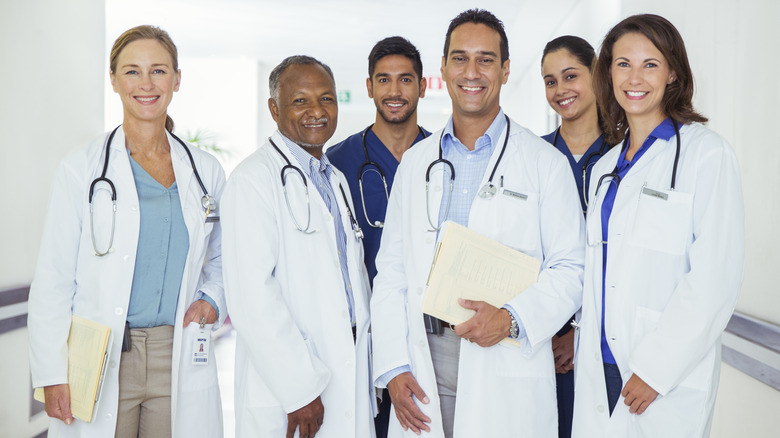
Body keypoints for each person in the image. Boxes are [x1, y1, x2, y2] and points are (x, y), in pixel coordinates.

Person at [371, 9, 585, 438]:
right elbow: (391, 270)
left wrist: (510, 319)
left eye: (486, 59)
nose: (472, 72)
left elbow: (572, 269)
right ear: (443, 71)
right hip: (425, 356)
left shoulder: (545, 164)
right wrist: (394, 365)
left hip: (505, 352)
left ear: (505, 70)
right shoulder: (416, 163)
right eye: (460, 58)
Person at [27, 25, 226, 438]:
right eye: (132, 71)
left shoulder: (205, 171)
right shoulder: (81, 169)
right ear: (114, 79)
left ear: (177, 78)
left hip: (177, 352)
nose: (146, 84)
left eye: (158, 70)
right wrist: (50, 370)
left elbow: (224, 255)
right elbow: (54, 277)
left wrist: (212, 296)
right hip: (101, 355)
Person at [571, 14, 744, 438]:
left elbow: (714, 279)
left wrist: (656, 369)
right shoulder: (606, 167)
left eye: (650, 64)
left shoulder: (706, 155)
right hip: (600, 366)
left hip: (663, 376)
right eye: (623, 63)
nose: (635, 77)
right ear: (608, 72)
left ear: (672, 73)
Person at [221, 55, 375, 438]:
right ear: (274, 109)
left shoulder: (334, 178)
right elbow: (251, 297)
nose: (316, 112)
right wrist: (299, 389)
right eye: (300, 101)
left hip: (345, 369)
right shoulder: (252, 181)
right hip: (291, 390)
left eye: (326, 99)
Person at [326, 36, 429, 438]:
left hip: (425, 331)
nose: (395, 91)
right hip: (358, 331)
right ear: (369, 87)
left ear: (422, 86)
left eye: (405, 80)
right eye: (384, 80)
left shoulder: (442, 157)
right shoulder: (337, 162)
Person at [540, 35, 609, 438]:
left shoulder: (624, 155)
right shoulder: (533, 157)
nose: (560, 89)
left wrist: (578, 333)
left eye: (570, 76)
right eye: (550, 81)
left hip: (602, 333)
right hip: (541, 334)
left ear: (596, 72)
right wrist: (549, 327)